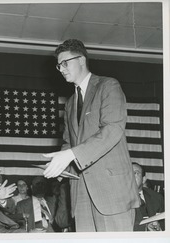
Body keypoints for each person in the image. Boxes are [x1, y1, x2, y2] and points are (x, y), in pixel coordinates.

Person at [43, 39, 140, 231]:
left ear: (81, 60)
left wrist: (71, 155)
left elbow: (113, 129)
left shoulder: (108, 86)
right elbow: (68, 142)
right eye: (58, 65)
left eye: (65, 63)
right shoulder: (70, 102)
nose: (61, 69)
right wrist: (60, 164)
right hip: (81, 195)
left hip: (111, 192)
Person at [132, 162, 164, 231]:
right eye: (128, 173)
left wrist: (158, 227)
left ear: (143, 179)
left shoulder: (157, 198)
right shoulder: (118, 199)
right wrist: (145, 227)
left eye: (135, 173)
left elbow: (165, 224)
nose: (131, 176)